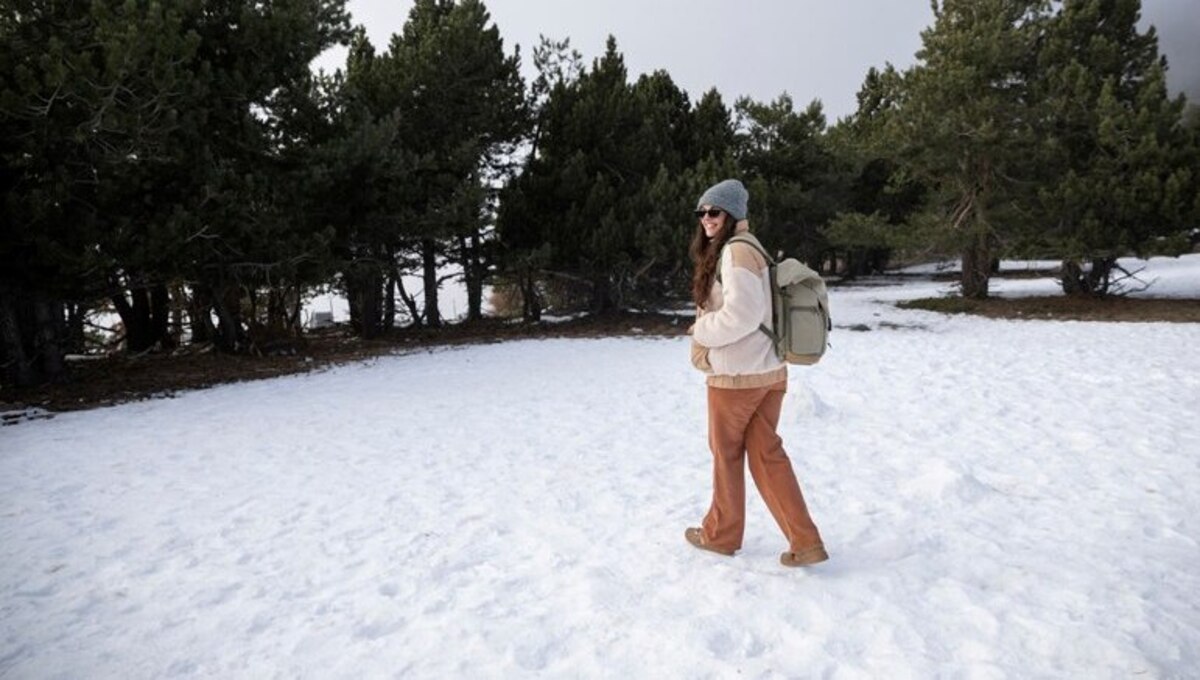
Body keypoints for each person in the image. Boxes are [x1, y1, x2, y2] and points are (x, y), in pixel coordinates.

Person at [685, 179, 828, 568]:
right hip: (769, 372)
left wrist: (700, 331)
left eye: (714, 212)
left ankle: (721, 535)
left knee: (726, 456)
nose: (706, 219)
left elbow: (742, 315)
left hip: (737, 377)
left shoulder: (735, 252)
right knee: (767, 455)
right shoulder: (755, 249)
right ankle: (805, 541)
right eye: (702, 213)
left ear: (732, 214)